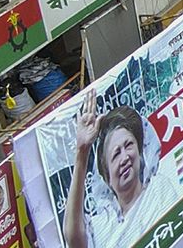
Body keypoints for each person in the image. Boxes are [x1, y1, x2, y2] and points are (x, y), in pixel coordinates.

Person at [64, 91, 163, 248]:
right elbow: (74, 239)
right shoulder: (103, 223)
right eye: (116, 154)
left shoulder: (159, 189)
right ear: (106, 175)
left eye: (128, 145)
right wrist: (82, 151)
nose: (124, 158)